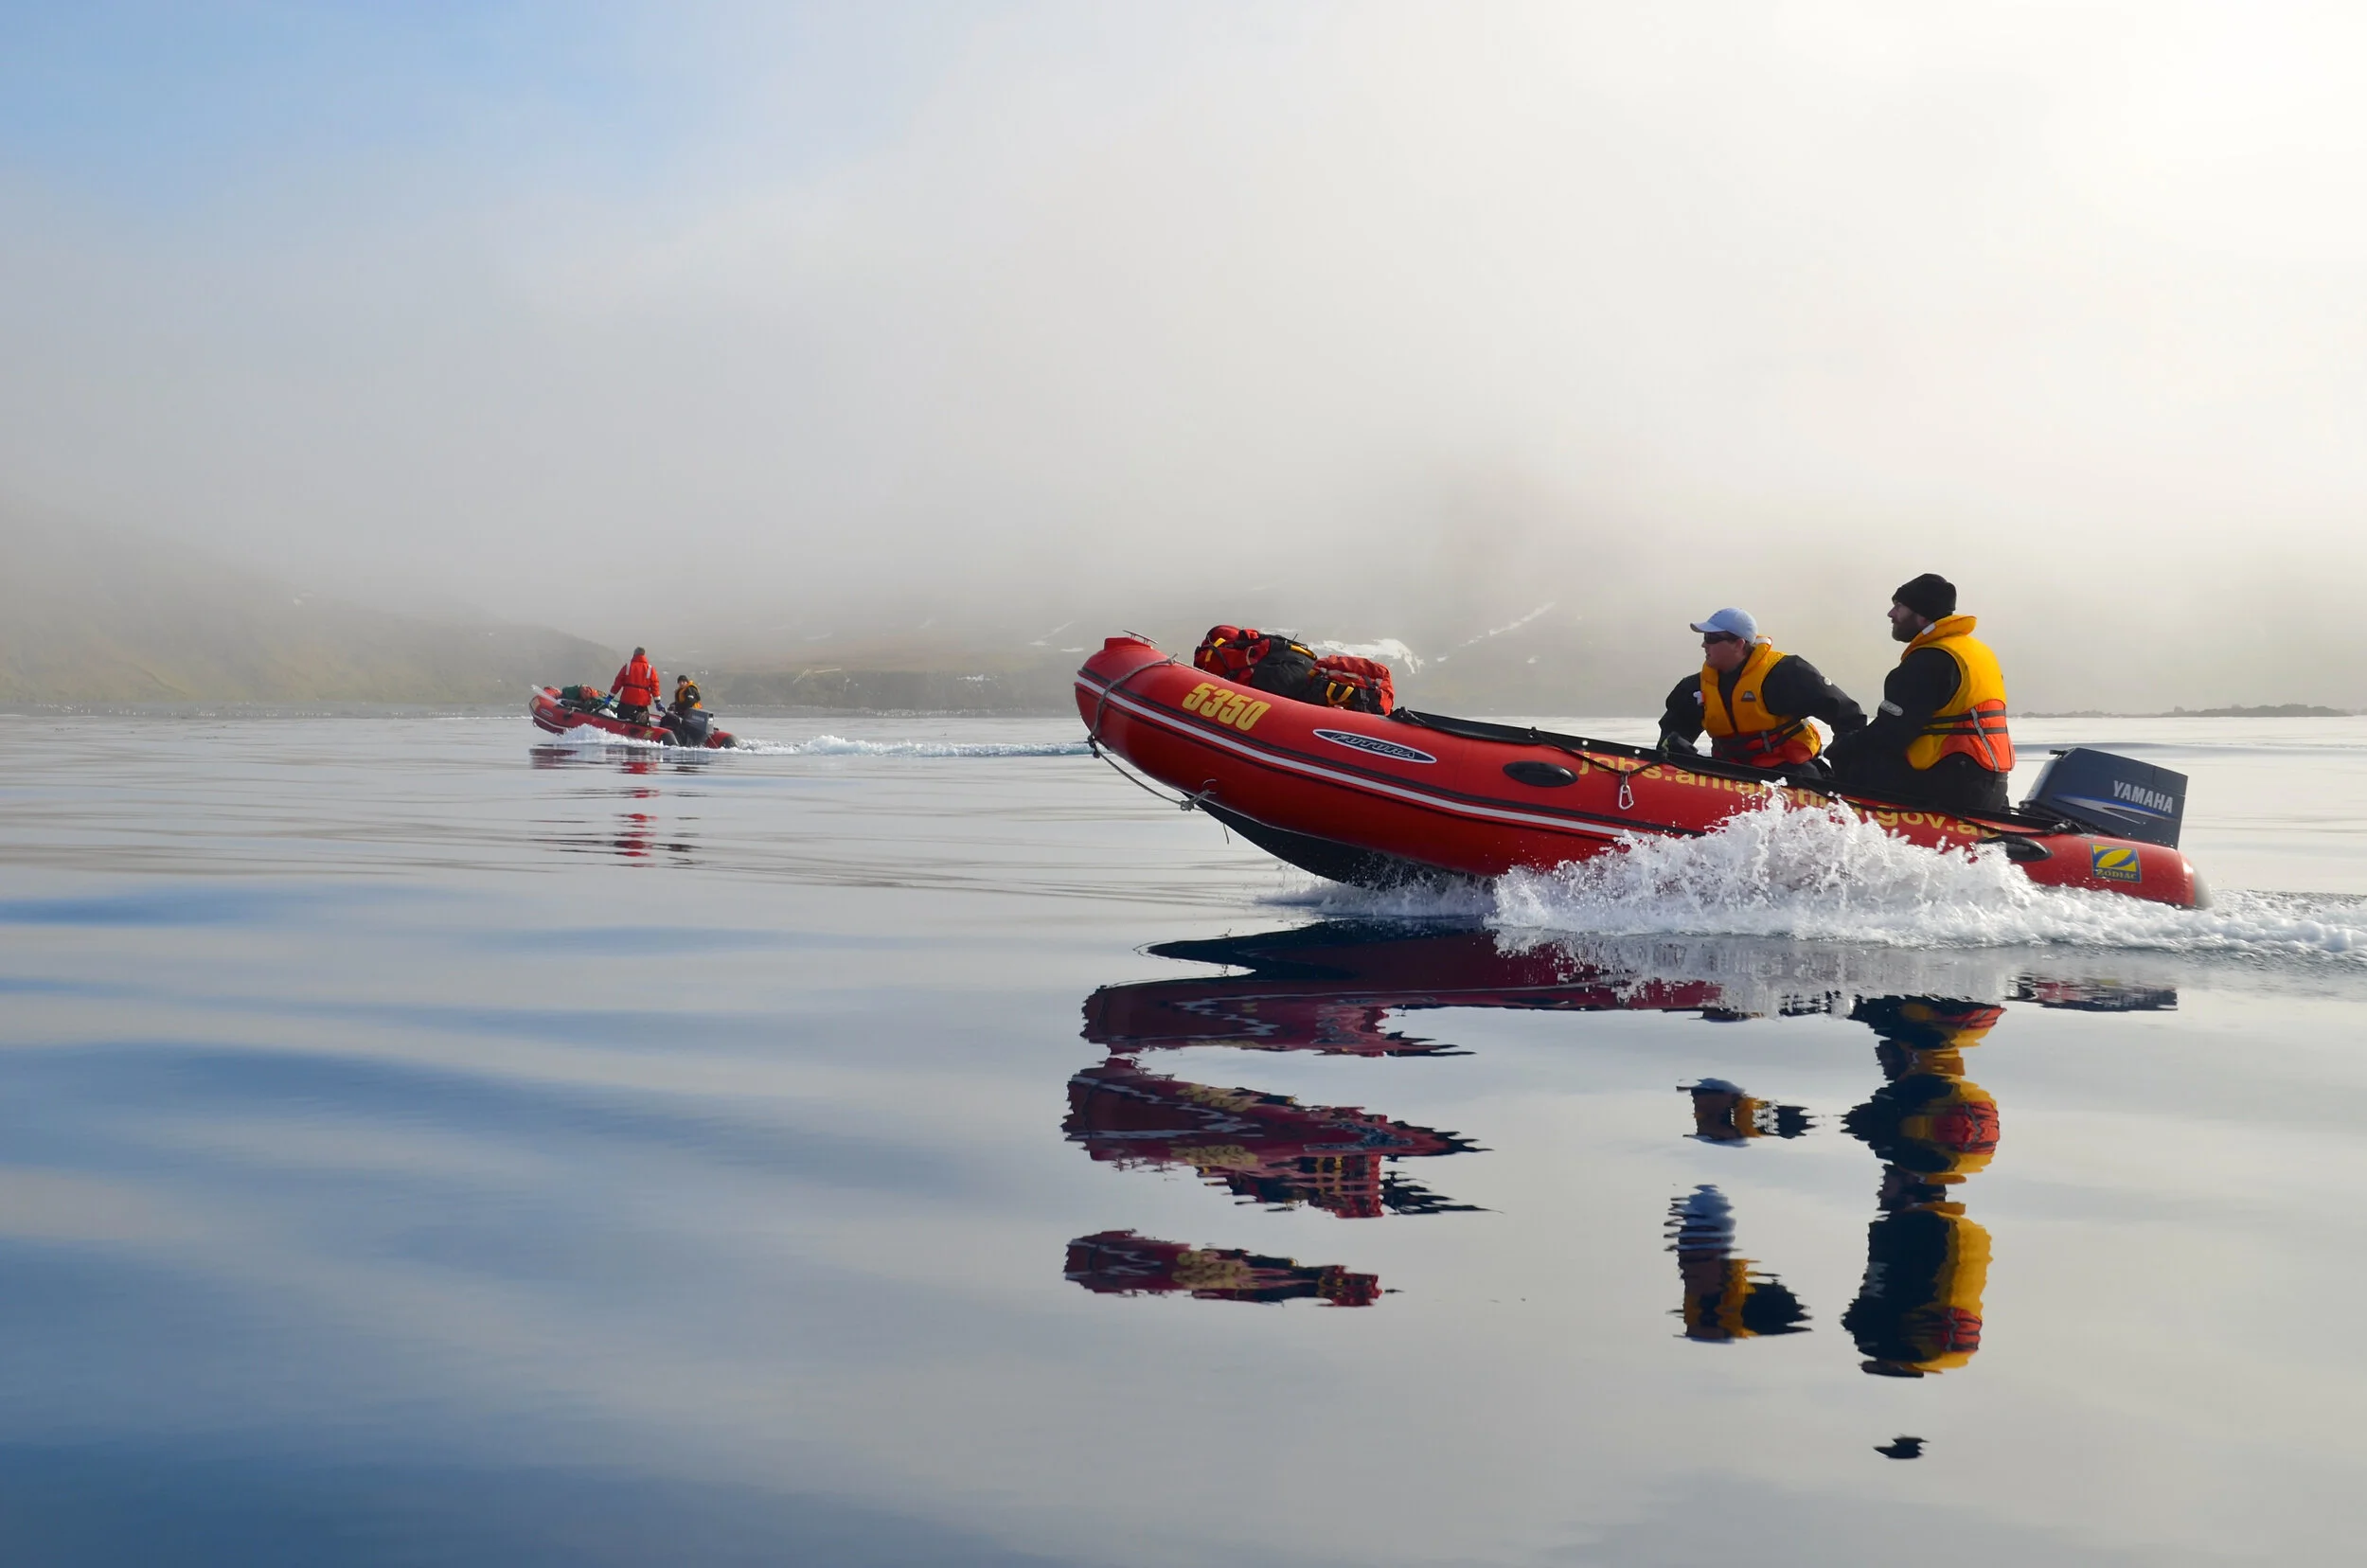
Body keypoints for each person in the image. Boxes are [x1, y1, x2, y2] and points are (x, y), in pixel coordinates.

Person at [1824, 575, 2014, 814]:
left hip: (1952, 785)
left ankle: (1838, 824)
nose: (1891, 614)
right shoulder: (1976, 652)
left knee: (1854, 761)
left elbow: (1890, 734)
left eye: (1900, 607)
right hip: (1990, 784)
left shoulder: (1930, 660)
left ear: (1922, 616)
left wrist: (1842, 747)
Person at [1657, 608, 1865, 770]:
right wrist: (1674, 747)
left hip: (1790, 771)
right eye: (1704, 638)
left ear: (1738, 644)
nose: (1704, 645)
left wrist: (1845, 762)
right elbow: (1673, 731)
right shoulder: (1694, 687)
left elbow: (1848, 716)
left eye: (1712, 638)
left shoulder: (1786, 674)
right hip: (1729, 771)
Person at [610, 647, 660, 723]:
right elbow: (655, 686)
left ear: (635, 654)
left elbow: (618, 682)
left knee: (621, 713)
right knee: (642, 718)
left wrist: (611, 696)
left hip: (628, 698)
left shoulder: (628, 666)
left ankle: (635, 717)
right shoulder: (650, 669)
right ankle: (642, 719)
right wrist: (657, 701)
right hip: (642, 701)